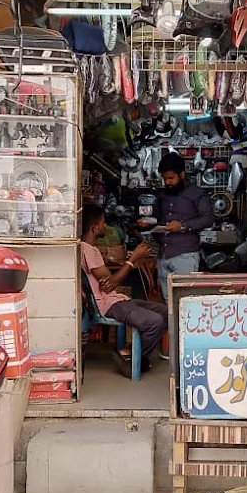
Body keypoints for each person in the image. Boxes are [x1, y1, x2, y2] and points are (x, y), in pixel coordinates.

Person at [81, 204, 167, 376]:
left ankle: (127, 353)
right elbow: (111, 283)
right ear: (94, 227)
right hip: (109, 305)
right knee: (155, 322)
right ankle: (135, 359)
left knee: (166, 312)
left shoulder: (92, 249)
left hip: (117, 299)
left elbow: (108, 283)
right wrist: (134, 258)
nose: (105, 226)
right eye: (104, 223)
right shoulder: (86, 249)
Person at [154, 150, 214, 299]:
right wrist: (147, 223)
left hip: (185, 256)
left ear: (182, 174)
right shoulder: (162, 195)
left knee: (186, 299)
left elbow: (208, 219)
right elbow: (158, 220)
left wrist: (182, 226)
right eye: (164, 179)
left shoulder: (197, 194)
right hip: (163, 255)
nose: (167, 182)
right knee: (168, 302)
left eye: (171, 178)